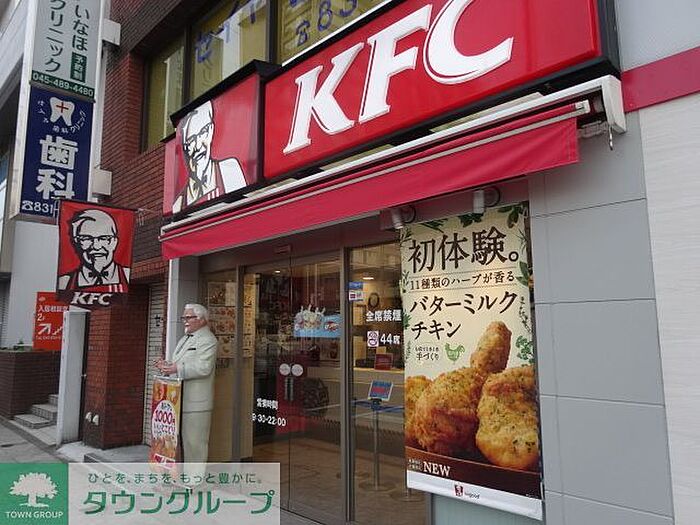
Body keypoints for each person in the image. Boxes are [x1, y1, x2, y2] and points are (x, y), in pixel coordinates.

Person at [157, 304, 217, 482]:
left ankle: (194, 480)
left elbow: (204, 367)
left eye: (189, 317)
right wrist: (167, 365)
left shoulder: (208, 339)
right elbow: (179, 363)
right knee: (178, 441)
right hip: (178, 399)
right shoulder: (185, 338)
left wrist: (176, 368)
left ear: (202, 320)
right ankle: (180, 477)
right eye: (184, 317)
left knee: (195, 443)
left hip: (197, 402)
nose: (185, 321)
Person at [172, 100, 246, 213]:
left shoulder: (229, 171)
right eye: (191, 140)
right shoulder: (178, 205)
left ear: (211, 130)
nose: (198, 145)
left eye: (203, 132)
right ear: (184, 147)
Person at [57, 209, 130, 292]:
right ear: (76, 242)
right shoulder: (64, 283)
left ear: (114, 242)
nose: (96, 246)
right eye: (86, 238)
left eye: (104, 238)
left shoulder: (127, 275)